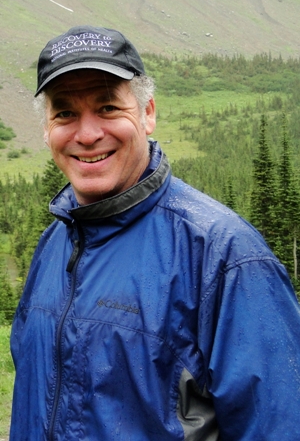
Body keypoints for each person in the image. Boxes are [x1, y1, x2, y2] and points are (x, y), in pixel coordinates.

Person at [10, 25, 300, 441]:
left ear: (147, 114)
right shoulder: (54, 244)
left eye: (108, 107)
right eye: (65, 113)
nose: (87, 134)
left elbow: (278, 426)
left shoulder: (222, 254)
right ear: (47, 129)